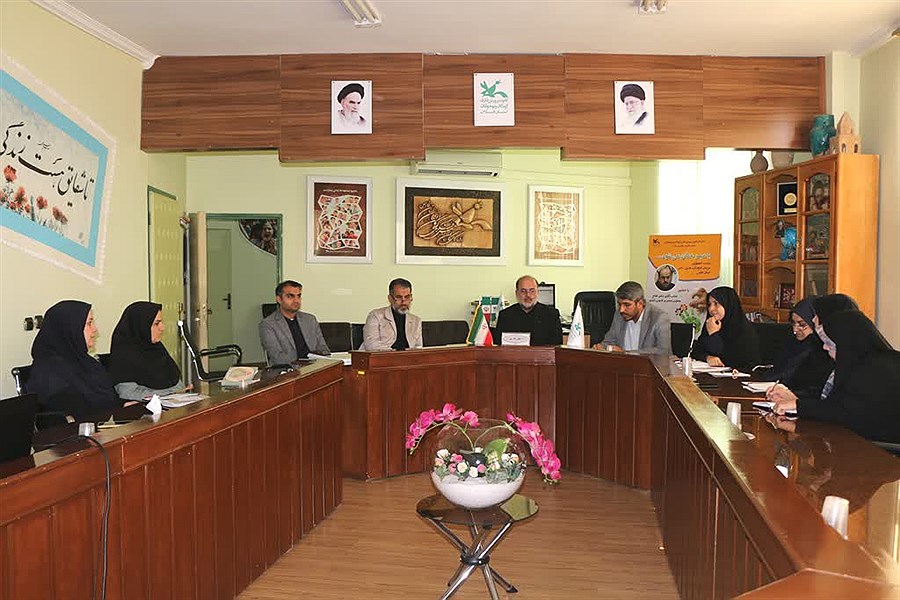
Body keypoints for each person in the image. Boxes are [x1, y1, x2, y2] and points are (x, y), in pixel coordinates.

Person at [772, 310, 900, 444]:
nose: (825, 347)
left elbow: (845, 413)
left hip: (877, 449)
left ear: (846, 342)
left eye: (830, 343)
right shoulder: (868, 361)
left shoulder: (872, 370)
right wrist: (795, 401)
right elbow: (836, 402)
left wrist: (799, 406)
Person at [29, 300, 123, 421]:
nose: (95, 330)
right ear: (70, 328)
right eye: (89, 323)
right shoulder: (48, 371)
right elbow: (77, 414)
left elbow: (107, 400)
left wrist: (123, 405)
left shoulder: (87, 362)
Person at [766, 293, 858, 408]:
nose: (795, 330)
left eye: (802, 324)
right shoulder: (817, 347)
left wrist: (798, 402)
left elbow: (837, 407)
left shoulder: (856, 364)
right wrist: (793, 398)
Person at [108, 301, 186, 400]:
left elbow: (178, 384)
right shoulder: (124, 355)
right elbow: (128, 394)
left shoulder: (156, 348)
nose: (162, 328)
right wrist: (169, 395)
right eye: (156, 323)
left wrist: (175, 393)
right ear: (141, 326)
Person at [761, 298, 833, 398]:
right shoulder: (791, 342)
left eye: (802, 325)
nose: (795, 330)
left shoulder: (824, 351)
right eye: (793, 323)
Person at [259, 280, 330, 365]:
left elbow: (324, 350)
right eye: (290, 296)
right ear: (279, 299)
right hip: (288, 369)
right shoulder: (268, 324)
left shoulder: (310, 320)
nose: (296, 300)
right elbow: (277, 358)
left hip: (314, 367)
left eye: (298, 296)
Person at [690, 286, 760, 370]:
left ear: (728, 304)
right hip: (713, 375)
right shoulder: (712, 324)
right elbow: (696, 351)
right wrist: (707, 357)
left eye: (716, 303)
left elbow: (730, 359)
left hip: (739, 375)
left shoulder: (744, 331)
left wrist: (714, 335)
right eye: (709, 304)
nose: (711, 309)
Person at [593, 281, 670, 354]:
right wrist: (601, 347)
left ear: (640, 303)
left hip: (649, 363)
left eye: (627, 305)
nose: (621, 310)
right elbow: (609, 341)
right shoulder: (619, 315)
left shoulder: (659, 318)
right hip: (623, 362)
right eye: (619, 304)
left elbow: (663, 351)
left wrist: (626, 353)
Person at [495, 275, 563, 346]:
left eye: (532, 291)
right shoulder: (505, 315)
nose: (528, 295)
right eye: (523, 291)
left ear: (537, 292)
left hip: (542, 353)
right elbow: (499, 346)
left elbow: (557, 346)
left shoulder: (551, 315)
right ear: (517, 293)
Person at [361, 278, 423, 351]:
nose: (403, 301)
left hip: (407, 357)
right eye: (399, 297)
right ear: (390, 298)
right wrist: (394, 353)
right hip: (383, 356)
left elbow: (418, 347)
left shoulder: (416, 320)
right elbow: (371, 345)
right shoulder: (375, 316)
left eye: (407, 297)